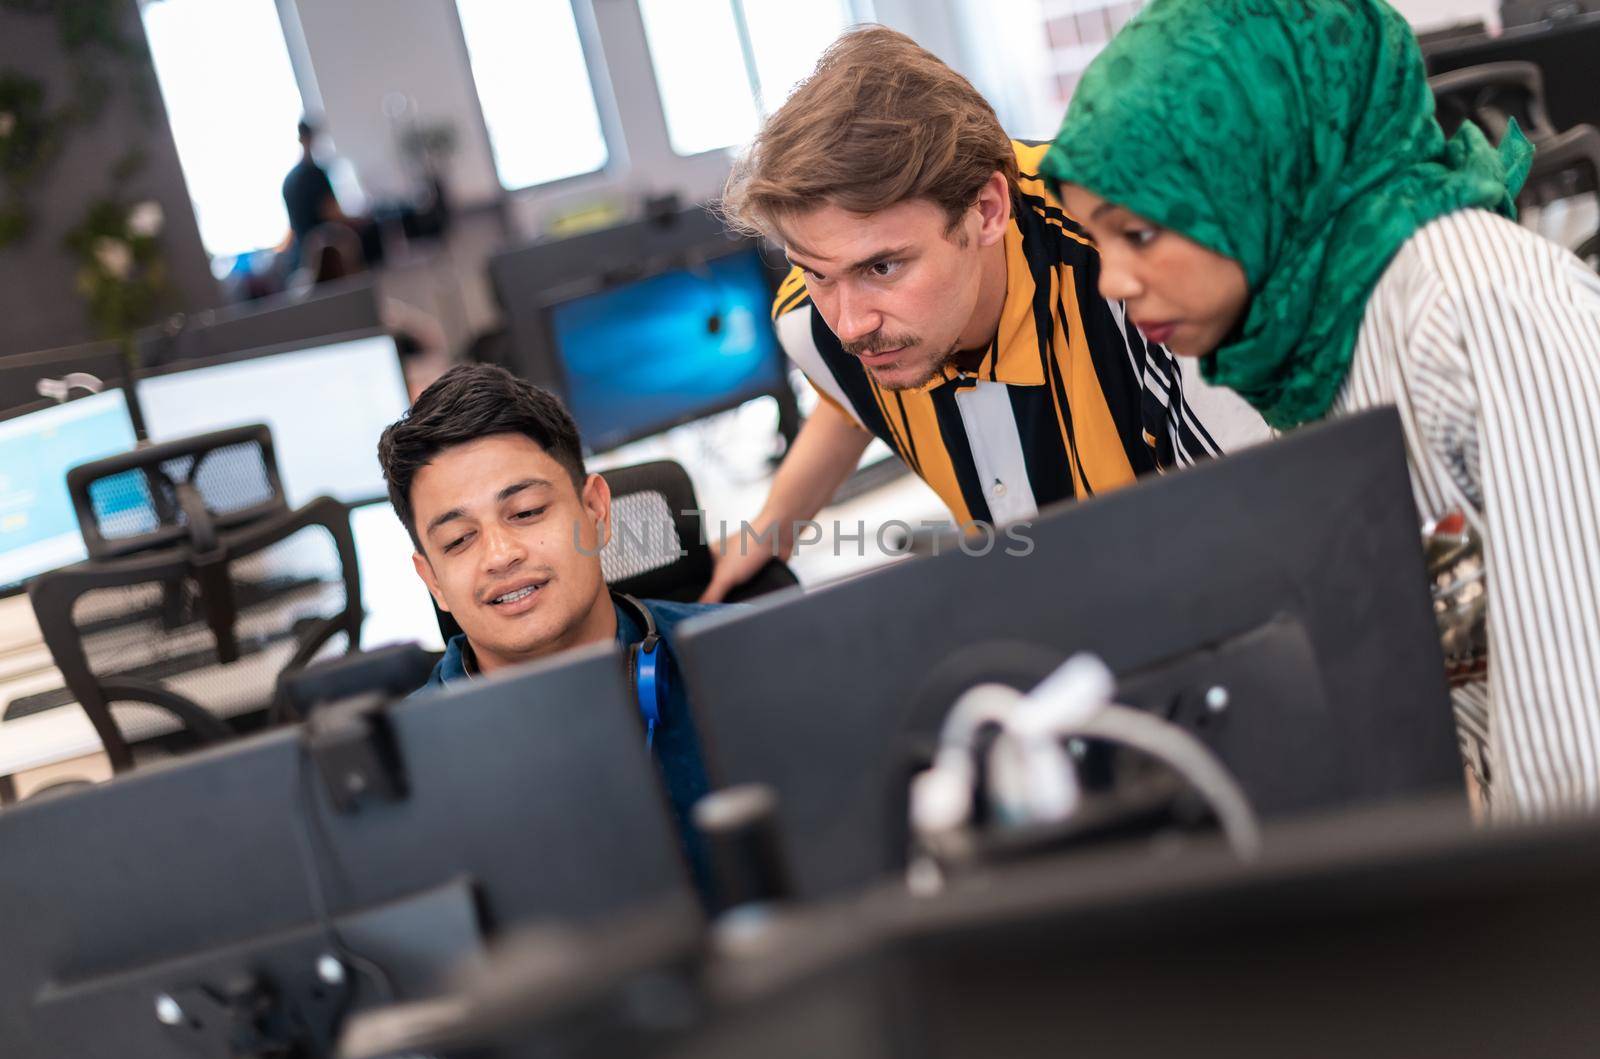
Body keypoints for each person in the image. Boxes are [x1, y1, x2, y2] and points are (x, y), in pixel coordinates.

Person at [1041, 0, 1600, 818]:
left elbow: (1576, 730)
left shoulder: (1475, 309)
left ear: (1260, 169)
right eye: (1097, 243)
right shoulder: (1319, 336)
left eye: (1139, 233)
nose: (1112, 283)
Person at [703, 25, 1267, 602]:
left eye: (883, 268)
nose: (851, 326)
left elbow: (1273, 529)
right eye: (818, 273)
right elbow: (847, 401)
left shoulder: (1143, 275)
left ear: (988, 211)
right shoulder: (816, 326)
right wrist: (769, 529)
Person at [377, 363, 728, 888]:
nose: (499, 555)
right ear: (432, 580)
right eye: (458, 541)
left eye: (526, 511)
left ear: (596, 512)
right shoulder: (399, 774)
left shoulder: (744, 656)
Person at [282, 118, 373, 273]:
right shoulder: (315, 174)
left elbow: (292, 227)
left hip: (302, 256)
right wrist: (361, 220)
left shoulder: (289, 180)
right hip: (327, 252)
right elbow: (331, 213)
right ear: (311, 138)